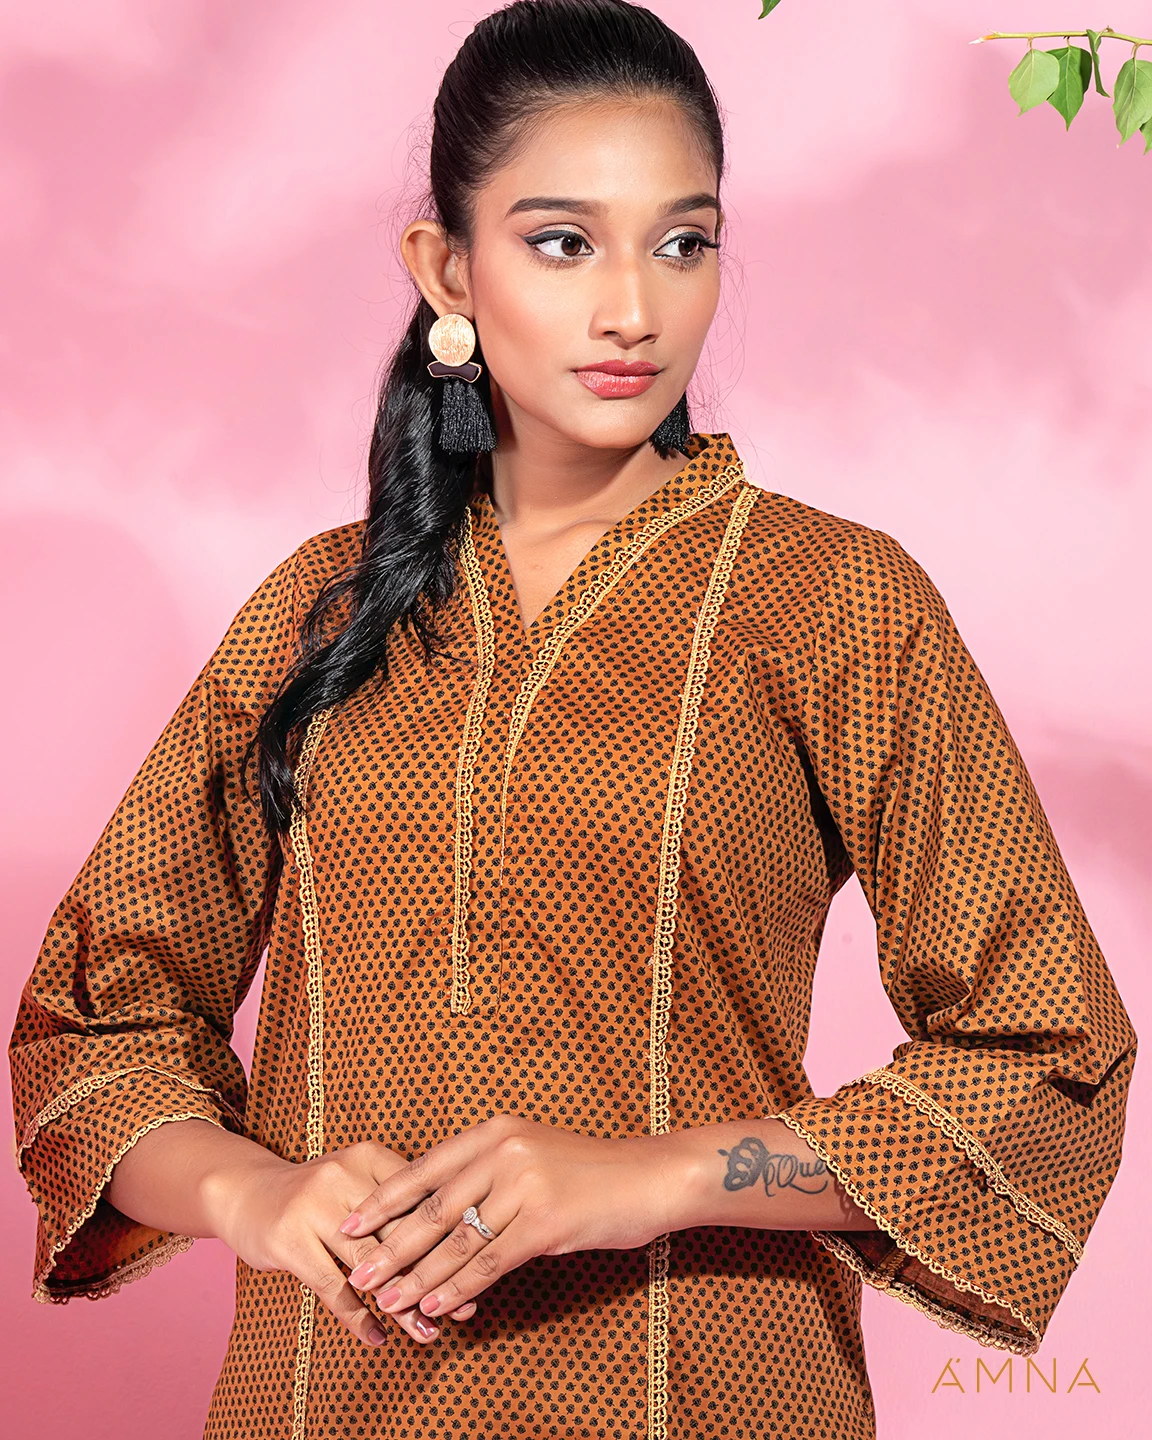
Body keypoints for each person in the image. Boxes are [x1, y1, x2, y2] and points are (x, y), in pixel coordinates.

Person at [9, 2, 1137, 1437]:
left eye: (684, 243)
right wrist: (260, 1196)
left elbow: (1045, 1051)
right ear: (447, 268)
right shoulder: (324, 611)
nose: (634, 310)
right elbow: (93, 1028)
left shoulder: (829, 598)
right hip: (327, 1398)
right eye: (562, 243)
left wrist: (649, 1178)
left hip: (706, 1390)